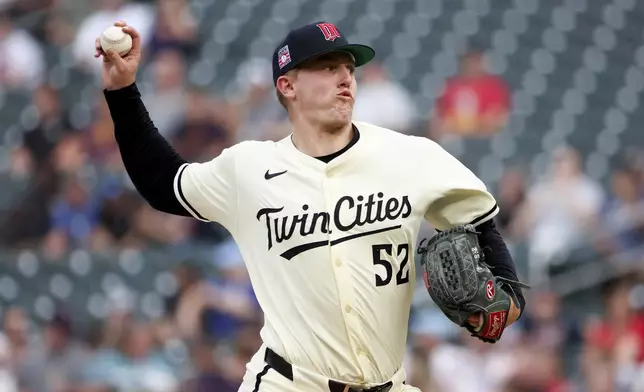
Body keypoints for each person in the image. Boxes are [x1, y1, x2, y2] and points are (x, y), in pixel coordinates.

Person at [96, 20, 526, 392]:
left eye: (349, 68)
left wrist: (503, 308)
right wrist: (122, 93)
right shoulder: (249, 168)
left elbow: (484, 229)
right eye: (327, 67)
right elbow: (162, 183)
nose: (345, 77)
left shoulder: (411, 156)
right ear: (288, 85)